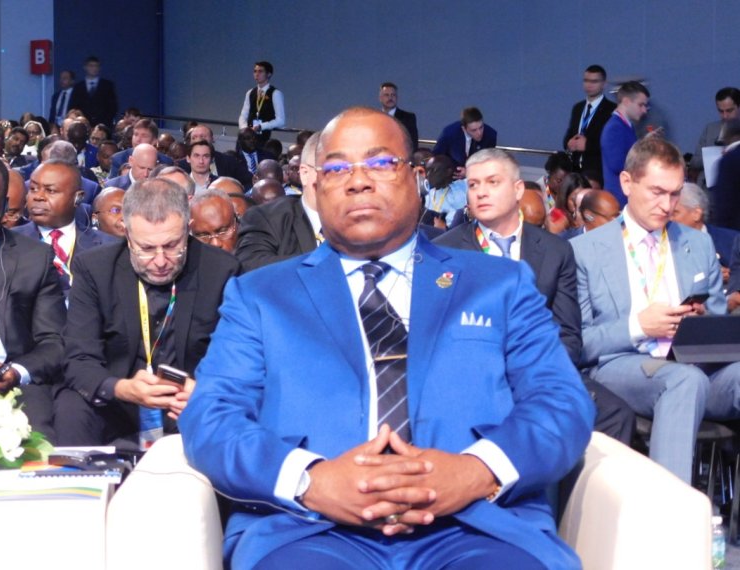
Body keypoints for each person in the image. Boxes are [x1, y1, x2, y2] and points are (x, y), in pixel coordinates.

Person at [180, 107, 593, 570]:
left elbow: (561, 402)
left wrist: (477, 471)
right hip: (308, 529)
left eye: (379, 163)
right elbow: (211, 417)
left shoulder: (499, 284)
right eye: (337, 168)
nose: (358, 181)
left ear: (416, 178)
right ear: (315, 187)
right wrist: (310, 480)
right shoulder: (261, 296)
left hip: (478, 526)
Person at [435, 149, 634, 443]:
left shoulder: (555, 250)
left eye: (492, 182)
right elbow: (439, 337)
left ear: (518, 190)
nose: (481, 192)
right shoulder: (444, 252)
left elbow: (568, 334)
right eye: (473, 184)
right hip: (473, 378)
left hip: (540, 373)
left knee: (616, 414)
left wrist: (538, 374)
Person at [572, 137, 740, 483]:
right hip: (622, 365)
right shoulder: (585, 251)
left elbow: (718, 321)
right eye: (657, 192)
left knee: (694, 377)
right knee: (683, 380)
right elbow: (579, 344)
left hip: (697, 365)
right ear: (627, 183)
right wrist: (639, 326)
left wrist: (701, 324)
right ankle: (668, 507)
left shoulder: (697, 243)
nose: (667, 205)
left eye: (675, 194)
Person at [54, 178, 240, 447]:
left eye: (173, 245)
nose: (161, 261)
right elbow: (79, 357)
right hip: (119, 400)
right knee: (71, 405)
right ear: (127, 234)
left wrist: (204, 393)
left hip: (189, 401)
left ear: (188, 228)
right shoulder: (95, 269)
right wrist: (121, 388)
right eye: (147, 249)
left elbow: (236, 359)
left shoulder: (222, 270)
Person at [0, 152, 67, 442]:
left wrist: (16, 371)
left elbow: (54, 342)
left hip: (12, 385)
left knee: (41, 446)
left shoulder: (34, 258)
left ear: (5, 207)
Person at [14, 160, 116, 299]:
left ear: (78, 198)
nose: (38, 197)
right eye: (33, 189)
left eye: (50, 190)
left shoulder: (109, 247)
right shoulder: (7, 242)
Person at [235, 132, 321, 272]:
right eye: (337, 169)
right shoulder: (265, 219)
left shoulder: (358, 222)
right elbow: (251, 267)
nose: (354, 180)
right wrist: (329, 264)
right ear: (305, 173)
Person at [671, 182, 739, 278]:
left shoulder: (732, 240)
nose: (669, 219)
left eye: (674, 213)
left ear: (696, 214)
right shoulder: (660, 244)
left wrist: (733, 278)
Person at [600, 81, 650, 206]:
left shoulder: (625, 126)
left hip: (624, 197)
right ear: (626, 101)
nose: (644, 110)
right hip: (619, 199)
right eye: (641, 105)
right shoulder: (615, 127)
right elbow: (618, 165)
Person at [563, 65, 616, 177]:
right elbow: (569, 134)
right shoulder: (578, 108)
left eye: (594, 81)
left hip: (597, 172)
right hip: (575, 171)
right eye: (586, 80)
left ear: (604, 84)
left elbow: (612, 144)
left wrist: (587, 145)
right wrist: (568, 143)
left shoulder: (612, 110)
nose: (589, 85)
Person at [689, 87, 740, 182]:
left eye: (729, 111)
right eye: (721, 111)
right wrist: (713, 156)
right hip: (707, 186)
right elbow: (694, 162)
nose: (725, 116)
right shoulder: (710, 129)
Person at [433, 107, 497, 177]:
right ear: (464, 129)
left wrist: (469, 172)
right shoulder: (449, 134)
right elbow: (437, 157)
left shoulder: (491, 135)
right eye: (474, 130)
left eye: (481, 127)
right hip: (452, 175)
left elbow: (488, 163)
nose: (479, 133)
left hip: (477, 175)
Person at [238, 61, 286, 145]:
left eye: (260, 71)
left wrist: (261, 126)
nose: (257, 74)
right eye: (255, 71)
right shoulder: (250, 92)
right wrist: (245, 129)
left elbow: (281, 120)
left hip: (262, 139)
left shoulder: (275, 93)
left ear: (269, 74)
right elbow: (243, 115)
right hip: (246, 138)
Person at [69, 56, 118, 128]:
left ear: (99, 68)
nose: (94, 68)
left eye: (96, 66)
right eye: (91, 66)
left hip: (103, 125)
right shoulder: (78, 87)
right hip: (83, 126)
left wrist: (105, 122)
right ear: (85, 67)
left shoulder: (107, 85)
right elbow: (74, 107)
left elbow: (113, 107)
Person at [422, 155, 467, 228]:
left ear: (448, 171)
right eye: (427, 171)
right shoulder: (427, 196)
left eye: (433, 170)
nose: (428, 175)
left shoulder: (463, 186)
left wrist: (468, 173)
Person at [379, 81, 418, 146]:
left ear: (397, 97)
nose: (390, 98)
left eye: (393, 95)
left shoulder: (408, 118)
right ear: (380, 98)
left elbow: (413, 143)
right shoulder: (375, 118)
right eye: (386, 95)